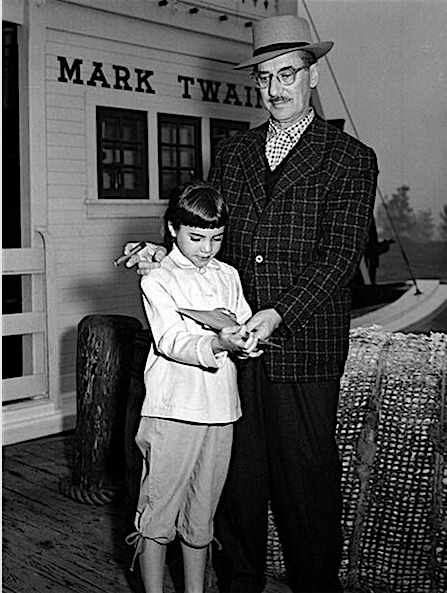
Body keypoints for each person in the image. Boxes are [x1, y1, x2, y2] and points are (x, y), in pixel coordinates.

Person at [123, 14, 378, 593]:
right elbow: (206, 238)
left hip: (302, 349)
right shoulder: (233, 151)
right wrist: (158, 257)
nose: (276, 88)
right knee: (238, 487)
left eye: (288, 74)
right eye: (264, 78)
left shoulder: (349, 157)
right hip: (231, 354)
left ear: (312, 76)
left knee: (306, 486)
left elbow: (338, 258)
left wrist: (277, 313)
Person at [126, 181, 260, 593]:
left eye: (216, 238)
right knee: (159, 511)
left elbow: (243, 322)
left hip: (221, 411)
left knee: (203, 512)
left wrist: (248, 342)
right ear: (172, 229)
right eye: (196, 237)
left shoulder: (229, 274)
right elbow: (170, 341)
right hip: (173, 411)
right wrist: (219, 342)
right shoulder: (158, 278)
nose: (206, 248)